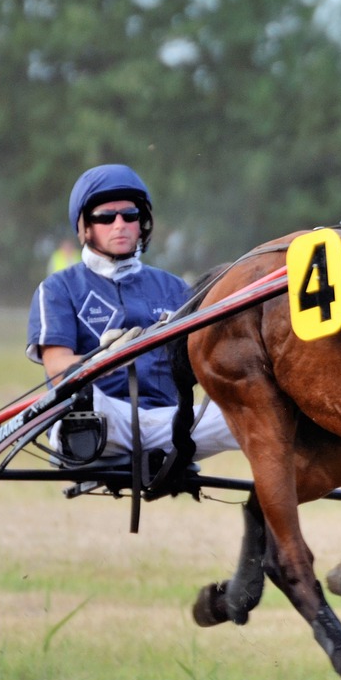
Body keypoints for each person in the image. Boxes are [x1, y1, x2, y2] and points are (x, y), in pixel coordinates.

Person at [27, 164, 237, 465]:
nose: (119, 224)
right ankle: (149, 453)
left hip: (170, 423)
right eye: (105, 217)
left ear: (143, 224)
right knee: (82, 406)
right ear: (85, 227)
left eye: (130, 215)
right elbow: (57, 367)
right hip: (96, 422)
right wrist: (103, 361)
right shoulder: (58, 288)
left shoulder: (176, 288)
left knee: (254, 412)